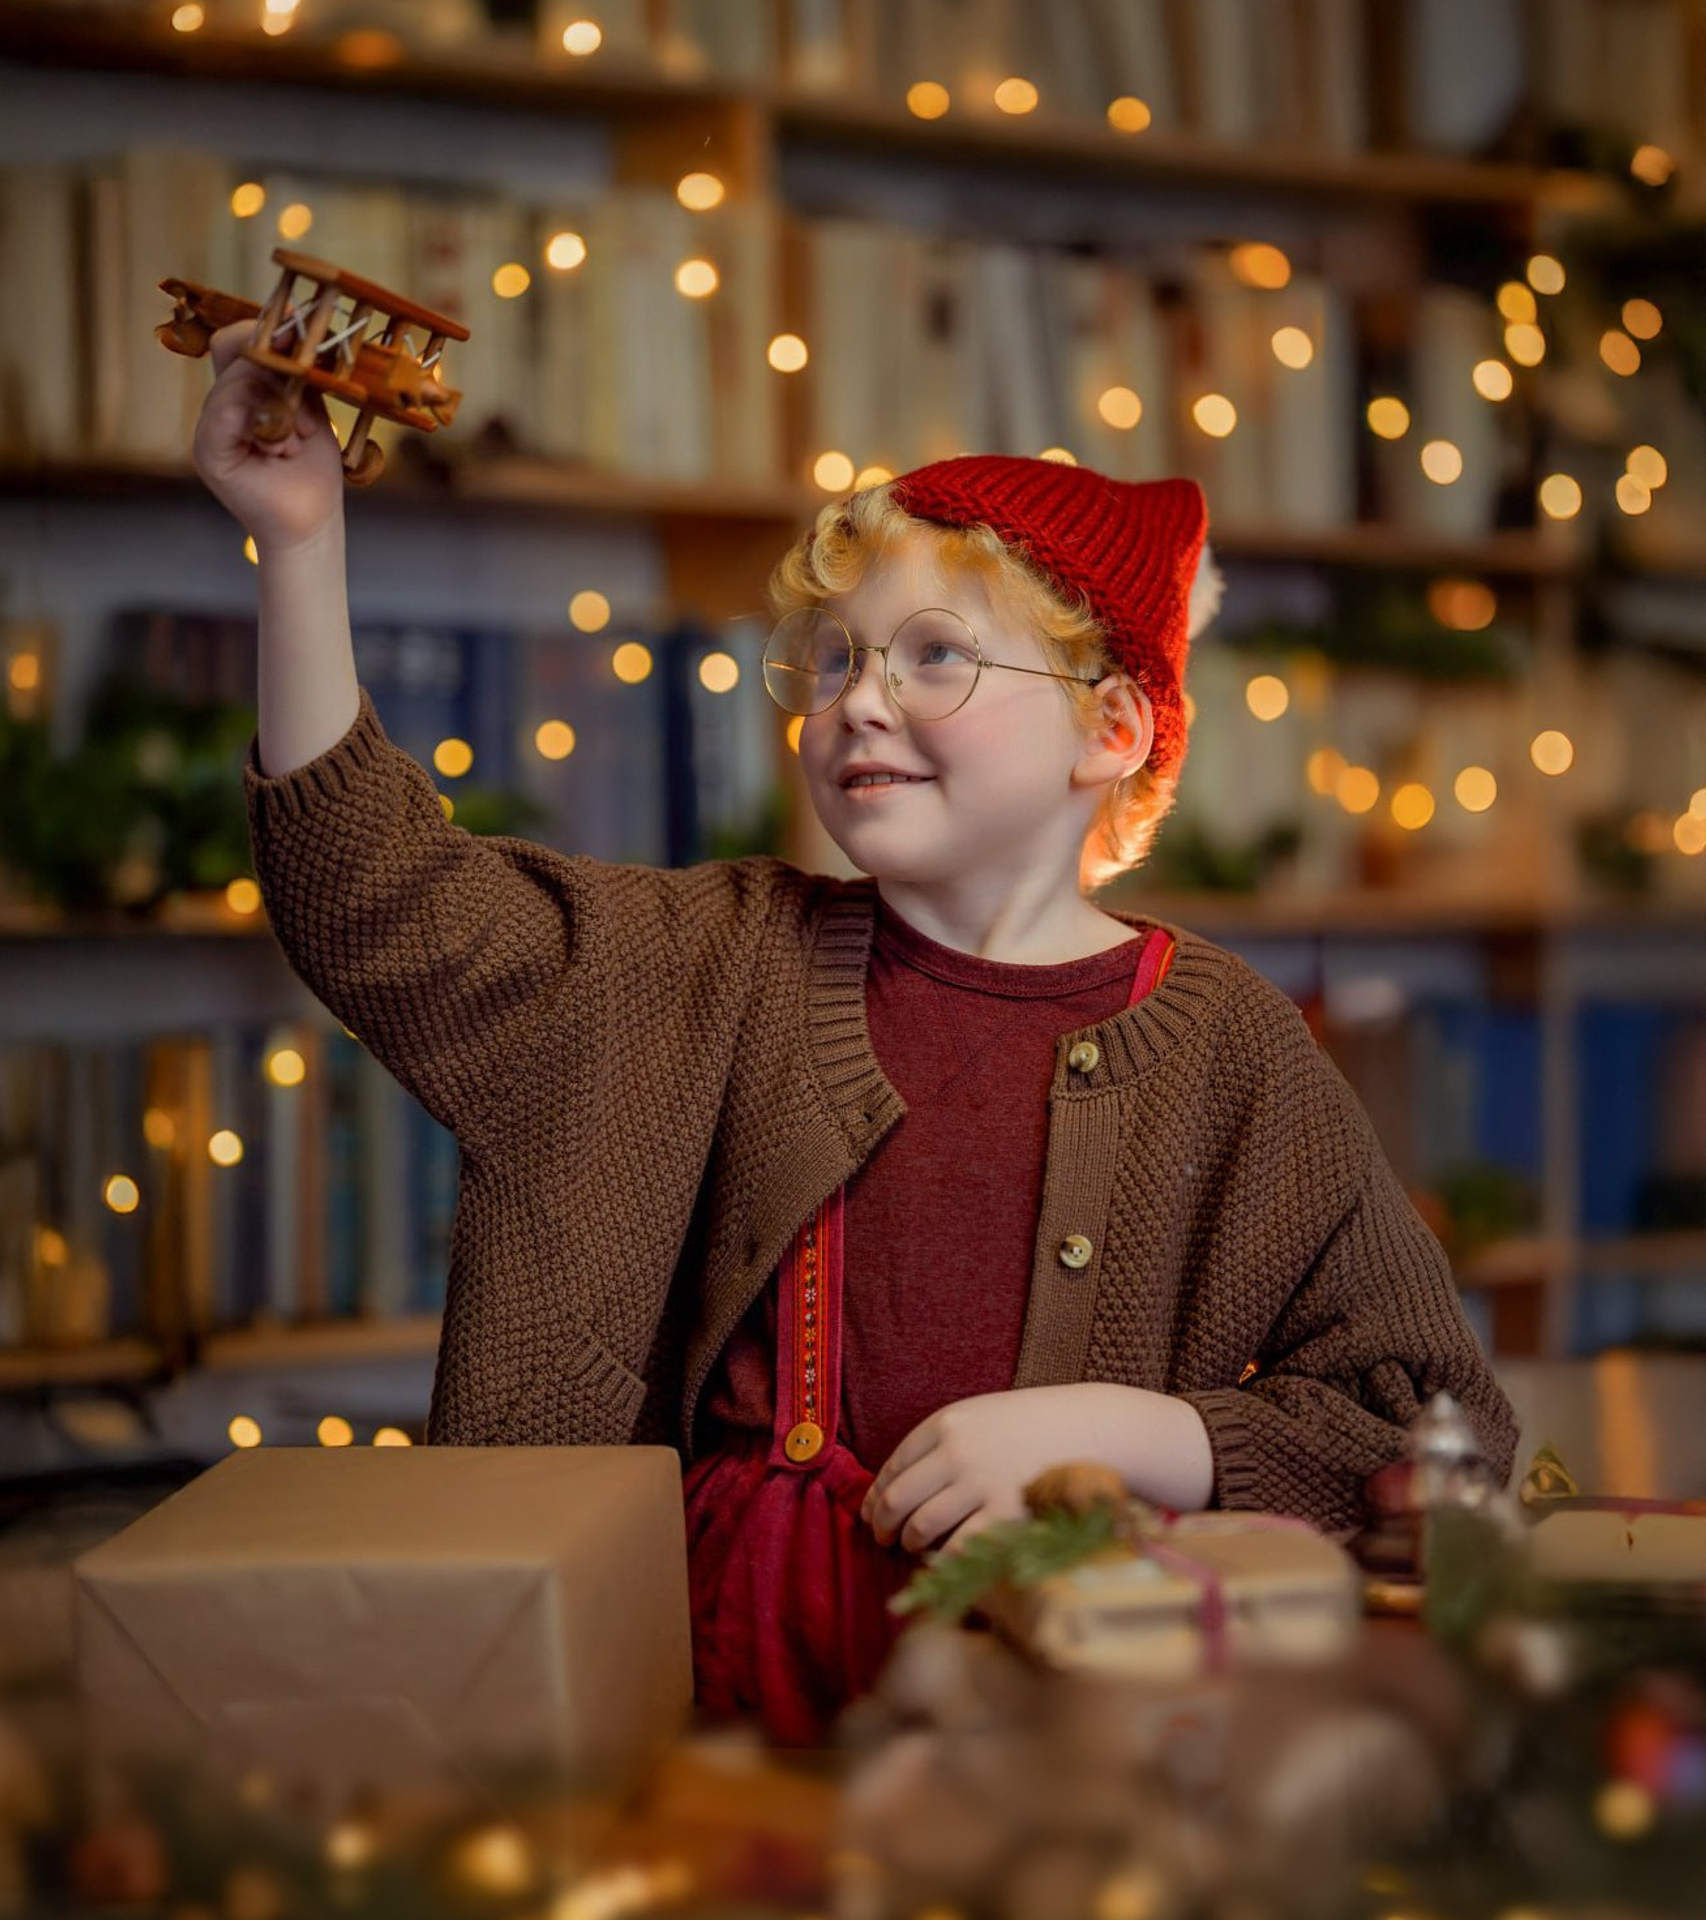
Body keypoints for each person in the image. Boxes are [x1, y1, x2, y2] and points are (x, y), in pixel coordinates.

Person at [193, 325, 1518, 1745]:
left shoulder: (1230, 1051)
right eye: (835, 662)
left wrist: (1142, 1437)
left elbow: (1434, 1433)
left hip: (1046, 1766)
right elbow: (378, 902)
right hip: (683, 1714)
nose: (857, 699)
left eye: (934, 655)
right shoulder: (702, 963)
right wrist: (302, 545)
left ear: (1114, 729)